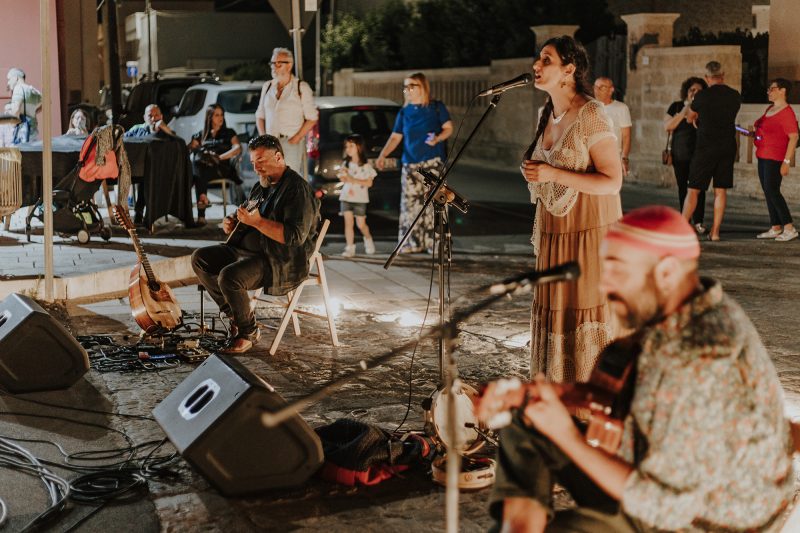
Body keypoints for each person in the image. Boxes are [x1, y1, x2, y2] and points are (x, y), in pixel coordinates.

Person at [480, 205, 794, 532]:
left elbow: (666, 505)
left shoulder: (703, 358)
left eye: (617, 270)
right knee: (525, 417)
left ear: (667, 271)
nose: (603, 286)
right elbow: (624, 391)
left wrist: (568, 436)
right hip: (651, 467)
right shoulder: (688, 305)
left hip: (704, 520)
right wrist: (550, 394)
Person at [520, 36, 623, 382]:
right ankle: (557, 397)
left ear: (569, 70)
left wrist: (551, 172)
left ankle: (589, 402)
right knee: (557, 312)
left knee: (583, 311)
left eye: (546, 59)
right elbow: (548, 171)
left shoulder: (591, 113)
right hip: (554, 233)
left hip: (589, 235)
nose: (537, 64)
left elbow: (612, 180)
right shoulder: (546, 114)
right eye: (538, 58)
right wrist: (534, 171)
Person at [191, 135, 319, 354]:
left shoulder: (298, 190)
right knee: (200, 259)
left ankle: (248, 331)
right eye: (252, 163)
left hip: (278, 259)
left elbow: (295, 236)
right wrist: (233, 221)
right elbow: (248, 212)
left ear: (278, 157)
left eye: (261, 161)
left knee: (229, 277)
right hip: (247, 250)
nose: (256, 167)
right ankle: (235, 315)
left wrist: (258, 222)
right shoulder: (262, 186)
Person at [376, 72, 454, 254]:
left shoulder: (436, 107)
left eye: (412, 86)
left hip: (433, 163)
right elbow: (396, 137)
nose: (408, 90)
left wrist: (438, 138)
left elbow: (448, 128)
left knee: (436, 203)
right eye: (405, 87)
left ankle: (434, 243)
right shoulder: (404, 112)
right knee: (410, 204)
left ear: (423, 87)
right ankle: (411, 242)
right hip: (410, 165)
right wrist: (383, 154)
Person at [682, 61, 741, 242]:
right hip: (727, 146)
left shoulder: (702, 96)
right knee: (720, 190)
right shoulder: (734, 95)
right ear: (723, 75)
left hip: (706, 147)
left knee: (693, 190)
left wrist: (698, 118)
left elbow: (689, 117)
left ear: (707, 77)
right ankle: (715, 232)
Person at [255, 47, 318, 175]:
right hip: (270, 143)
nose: (274, 66)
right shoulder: (267, 86)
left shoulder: (301, 87)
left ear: (289, 66)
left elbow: (312, 118)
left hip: (290, 142)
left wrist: (297, 138)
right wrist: (263, 137)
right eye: (272, 63)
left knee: (288, 181)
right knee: (270, 180)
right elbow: (260, 115)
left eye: (278, 63)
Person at [752, 78, 799, 242]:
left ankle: (789, 227)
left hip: (775, 157)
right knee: (768, 191)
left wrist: (786, 163)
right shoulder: (770, 108)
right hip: (763, 155)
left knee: (773, 190)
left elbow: (793, 137)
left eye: (772, 89)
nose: (768, 92)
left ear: (782, 90)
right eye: (768, 89)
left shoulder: (787, 113)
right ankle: (776, 227)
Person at [664, 76, 708, 234]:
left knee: (698, 188)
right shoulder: (676, 106)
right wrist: (684, 110)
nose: (694, 93)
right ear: (686, 92)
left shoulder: (705, 108)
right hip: (680, 154)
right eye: (692, 90)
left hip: (700, 154)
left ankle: (699, 221)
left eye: (698, 91)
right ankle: (685, 220)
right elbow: (668, 126)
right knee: (683, 188)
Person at [188, 104, 243, 225]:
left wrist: (219, 157)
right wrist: (197, 149)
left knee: (196, 173)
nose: (220, 117)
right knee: (197, 167)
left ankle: (200, 215)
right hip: (204, 170)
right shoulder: (201, 134)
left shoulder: (229, 132)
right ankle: (202, 201)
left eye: (222, 114)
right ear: (209, 117)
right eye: (217, 115)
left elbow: (238, 148)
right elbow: (190, 149)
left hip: (222, 168)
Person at [337, 133, 376, 257]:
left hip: (360, 199)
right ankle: (350, 247)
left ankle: (368, 239)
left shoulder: (366, 166)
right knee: (348, 223)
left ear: (359, 147)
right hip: (346, 197)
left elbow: (369, 183)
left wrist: (352, 179)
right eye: (346, 146)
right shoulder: (346, 164)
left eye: (351, 146)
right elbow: (343, 179)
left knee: (361, 224)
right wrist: (344, 176)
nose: (348, 149)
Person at [593, 77, 632, 176]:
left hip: (613, 157)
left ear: (611, 90)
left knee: (611, 189)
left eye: (602, 87)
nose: (597, 90)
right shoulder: (590, 107)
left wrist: (624, 158)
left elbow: (626, 136)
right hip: (592, 156)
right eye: (596, 87)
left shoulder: (621, 108)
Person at [5, 67, 42, 143]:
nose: (8, 83)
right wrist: (32, 112)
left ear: (16, 78)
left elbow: (16, 109)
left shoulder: (18, 88)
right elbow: (47, 102)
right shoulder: (32, 89)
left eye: (9, 79)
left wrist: (13, 126)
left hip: (22, 133)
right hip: (33, 132)